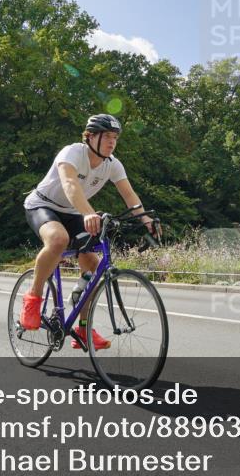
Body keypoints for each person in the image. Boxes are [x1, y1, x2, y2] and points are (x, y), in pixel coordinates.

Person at [21, 114, 157, 350]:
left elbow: (129, 194)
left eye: (115, 138)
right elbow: (70, 185)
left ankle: (83, 327)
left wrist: (145, 218)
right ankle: (33, 299)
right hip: (43, 205)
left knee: (94, 265)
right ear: (90, 136)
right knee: (58, 239)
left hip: (75, 211)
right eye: (107, 137)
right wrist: (88, 213)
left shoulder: (112, 164)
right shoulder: (72, 153)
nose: (112, 142)